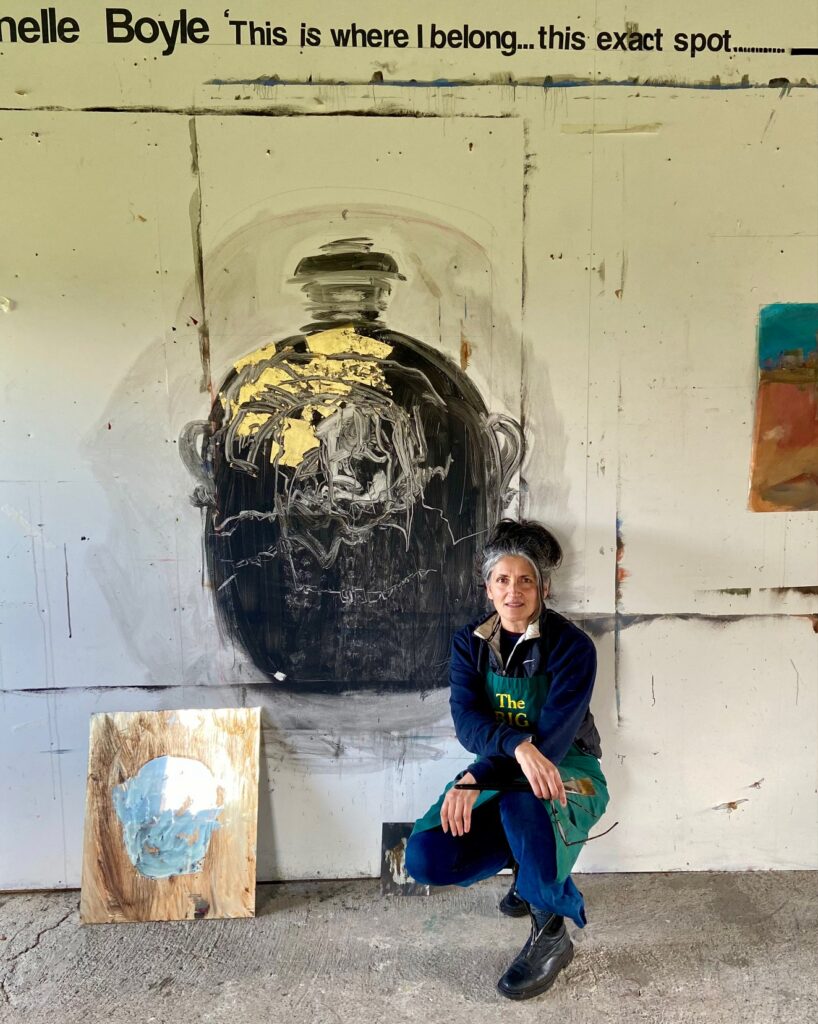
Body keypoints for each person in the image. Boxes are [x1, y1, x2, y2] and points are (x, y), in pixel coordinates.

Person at [405, 519, 610, 1001]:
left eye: (525, 580)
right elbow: (468, 723)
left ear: (544, 588)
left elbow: (551, 746)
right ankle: (527, 865)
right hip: (501, 767)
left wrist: (483, 771)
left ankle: (551, 931)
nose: (513, 591)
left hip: (570, 769)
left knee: (524, 798)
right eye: (502, 580)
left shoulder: (573, 648)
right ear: (488, 588)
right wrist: (510, 750)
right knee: (427, 856)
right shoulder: (469, 643)